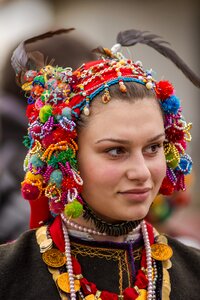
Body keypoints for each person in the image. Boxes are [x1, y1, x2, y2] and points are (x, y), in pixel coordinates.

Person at [0, 28, 200, 300]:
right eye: (116, 150)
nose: (142, 172)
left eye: (153, 148)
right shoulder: (9, 276)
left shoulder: (193, 272)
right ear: (67, 157)